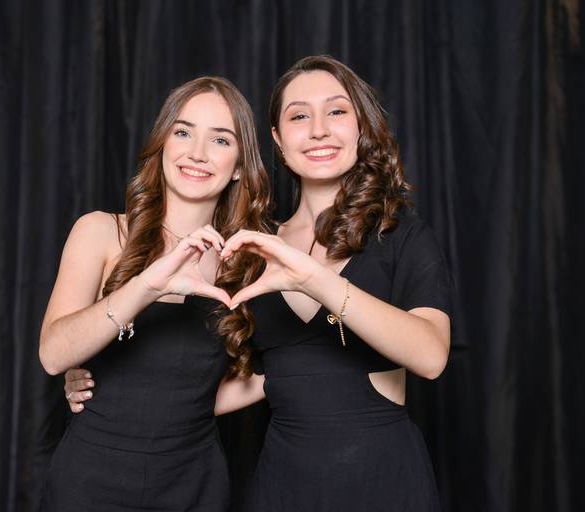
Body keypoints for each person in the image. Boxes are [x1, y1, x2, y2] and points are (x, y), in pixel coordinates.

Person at [66, 55, 451, 511]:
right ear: (278, 140)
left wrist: (316, 280)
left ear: (362, 127)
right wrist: (103, 378)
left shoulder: (401, 235)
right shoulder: (250, 250)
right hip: (281, 481)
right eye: (299, 116)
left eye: (336, 111)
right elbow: (204, 372)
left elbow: (431, 357)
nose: (319, 130)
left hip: (381, 476)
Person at [39, 76, 272, 512]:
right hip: (88, 483)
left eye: (220, 140)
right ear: (163, 143)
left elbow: (206, 389)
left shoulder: (247, 262)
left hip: (194, 486)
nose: (197, 153)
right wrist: (146, 285)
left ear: (240, 165)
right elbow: (54, 355)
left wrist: (299, 378)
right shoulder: (101, 232)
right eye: (183, 132)